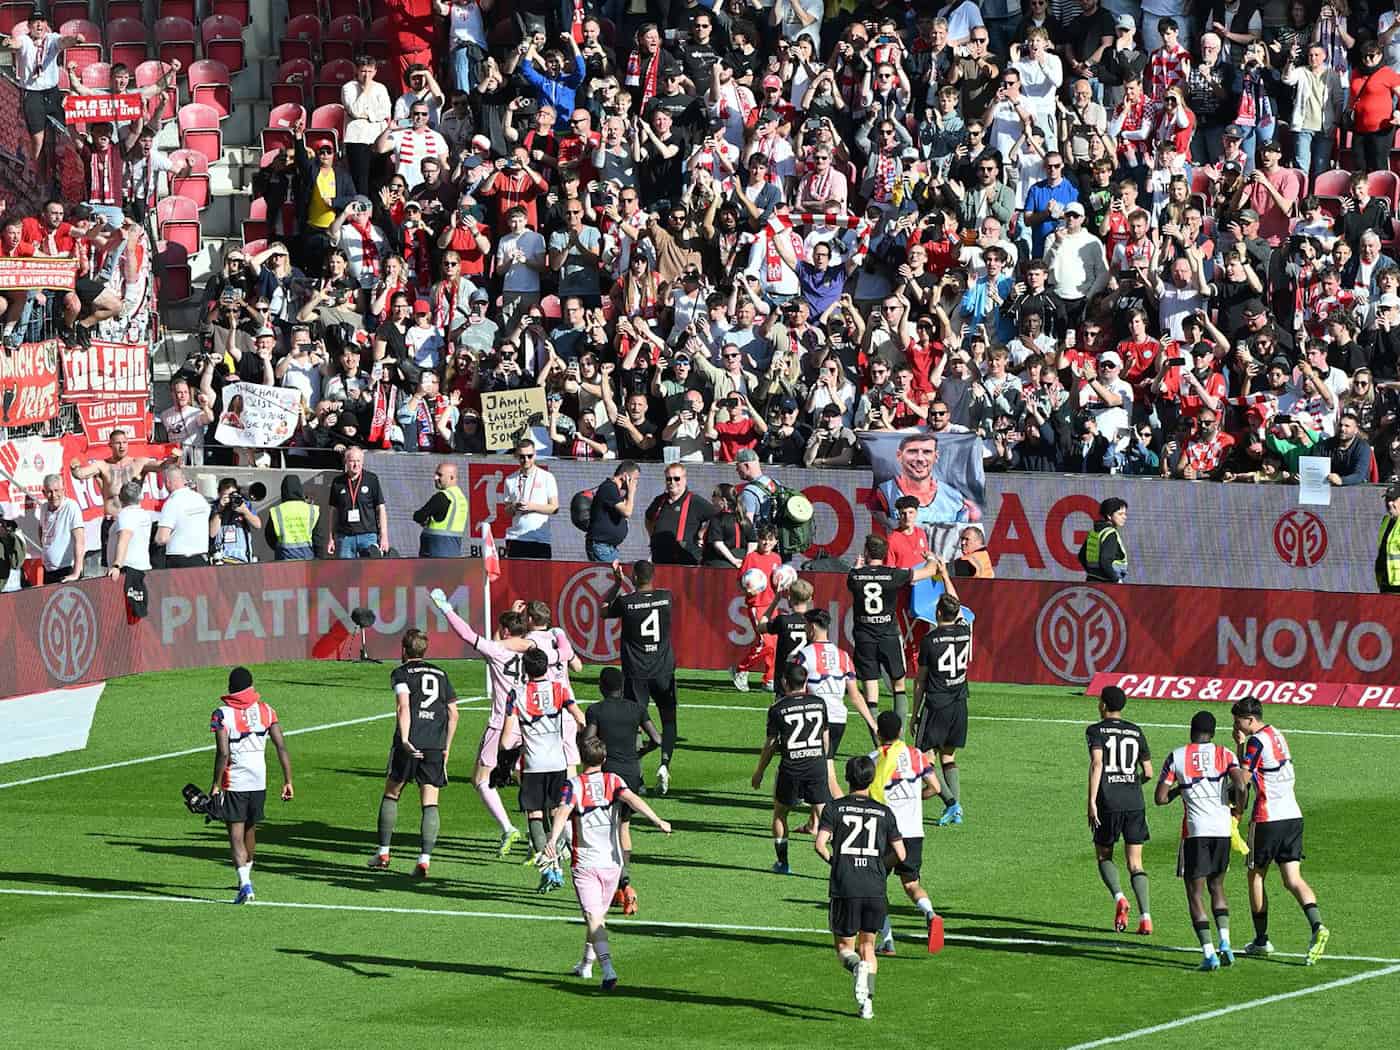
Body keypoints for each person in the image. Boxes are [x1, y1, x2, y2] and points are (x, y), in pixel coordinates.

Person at [543, 734, 672, 991]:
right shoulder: (613, 780)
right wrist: (657, 820)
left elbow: (563, 812)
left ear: (581, 758)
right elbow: (633, 800)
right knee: (596, 917)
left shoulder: (574, 785)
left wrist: (553, 840)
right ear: (604, 759)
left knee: (594, 919)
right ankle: (586, 964)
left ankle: (608, 968)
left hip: (586, 863)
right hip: (613, 863)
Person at [430, 592, 532, 855]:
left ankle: (509, 829)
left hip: (501, 724)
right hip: (529, 724)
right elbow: (500, 645)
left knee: (480, 780)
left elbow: (468, 635)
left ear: (505, 631)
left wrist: (446, 609)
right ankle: (546, 837)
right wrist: (512, 616)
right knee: (530, 778)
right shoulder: (532, 649)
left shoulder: (497, 651)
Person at [1230, 696, 1330, 964]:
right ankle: (1317, 926)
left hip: (1267, 818)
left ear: (1250, 719)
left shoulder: (1254, 742)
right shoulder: (1277, 734)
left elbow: (1244, 780)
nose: (1235, 724)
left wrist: (1237, 753)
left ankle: (1261, 940)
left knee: (1255, 877)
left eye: (1237, 719)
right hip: (1293, 817)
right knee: (1292, 879)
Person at [1155, 710, 1249, 971]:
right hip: (1221, 830)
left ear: (1191, 730)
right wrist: (1237, 810)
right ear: (1213, 732)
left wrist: (1178, 791)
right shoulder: (1225, 753)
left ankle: (1208, 953)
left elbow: (1160, 798)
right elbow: (1241, 785)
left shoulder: (1177, 756)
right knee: (1217, 888)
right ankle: (1226, 943)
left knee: (1194, 893)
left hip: (1195, 832)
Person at [815, 755, 905, 1021]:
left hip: (846, 886)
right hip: (875, 887)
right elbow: (900, 852)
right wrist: (878, 864)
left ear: (847, 777)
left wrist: (836, 862)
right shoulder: (884, 812)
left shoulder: (834, 809)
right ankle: (866, 1005)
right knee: (869, 946)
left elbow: (820, 845)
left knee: (845, 948)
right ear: (872, 778)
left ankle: (856, 969)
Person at [367, 629, 459, 878]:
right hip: (435, 745)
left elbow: (403, 706)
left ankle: (384, 852)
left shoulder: (401, 673)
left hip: (411, 742)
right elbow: (454, 713)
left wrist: (406, 739)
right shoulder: (441, 674)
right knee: (430, 801)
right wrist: (446, 747)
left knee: (392, 792)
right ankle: (424, 860)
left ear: (403, 650)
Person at [206, 666, 294, 904]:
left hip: (235, 780)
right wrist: (288, 781)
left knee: (235, 834)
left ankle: (245, 884)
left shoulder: (221, 714)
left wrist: (215, 784)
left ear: (230, 687)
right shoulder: (267, 710)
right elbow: (281, 747)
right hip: (259, 780)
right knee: (250, 830)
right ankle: (246, 876)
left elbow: (222, 753)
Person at [583, 666, 663, 917]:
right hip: (631, 773)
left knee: (608, 832)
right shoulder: (636, 708)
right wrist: (640, 753)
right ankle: (622, 886)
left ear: (601, 686)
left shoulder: (595, 710)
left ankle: (624, 885)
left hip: (607, 776)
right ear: (622, 686)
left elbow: (588, 741)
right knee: (624, 828)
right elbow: (658, 740)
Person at [504, 647, 584, 892]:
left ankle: (551, 868)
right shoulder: (560, 689)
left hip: (534, 765)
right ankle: (557, 860)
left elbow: (507, 740)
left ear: (525, 669)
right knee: (556, 815)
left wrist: (508, 754)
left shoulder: (516, 694)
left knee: (535, 816)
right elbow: (580, 718)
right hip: (558, 762)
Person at [846, 534, 943, 729]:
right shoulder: (893, 574)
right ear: (884, 554)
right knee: (899, 687)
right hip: (889, 637)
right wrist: (931, 558)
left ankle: (878, 742)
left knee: (871, 695)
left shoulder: (854, 576)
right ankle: (897, 739)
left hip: (865, 638)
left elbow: (854, 576)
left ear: (866, 553)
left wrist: (857, 566)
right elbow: (930, 570)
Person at [869, 711, 942, 956]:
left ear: (878, 734)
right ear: (900, 732)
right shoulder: (916, 756)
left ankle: (887, 940)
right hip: (913, 831)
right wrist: (917, 799)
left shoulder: (874, 760)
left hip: (885, 833)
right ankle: (930, 913)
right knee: (911, 883)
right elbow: (936, 787)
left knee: (874, 885)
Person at [603, 559, 677, 795]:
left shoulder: (626, 602)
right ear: (653, 576)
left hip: (636, 672)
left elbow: (604, 609)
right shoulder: (667, 597)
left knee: (633, 725)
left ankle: (638, 779)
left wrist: (617, 583)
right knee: (669, 720)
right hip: (663, 669)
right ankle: (665, 764)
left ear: (634, 577)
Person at [751, 662, 831, 876]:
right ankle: (839, 859)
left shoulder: (777, 708)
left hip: (792, 767)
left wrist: (759, 771)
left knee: (780, 813)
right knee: (825, 814)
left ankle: (783, 863)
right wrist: (822, 759)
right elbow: (825, 736)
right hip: (816, 764)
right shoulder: (819, 703)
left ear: (785, 681)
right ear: (805, 682)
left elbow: (770, 744)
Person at [1086, 685, 1155, 936]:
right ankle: (1146, 918)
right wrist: (1132, 783)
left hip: (1109, 802)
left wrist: (1092, 800)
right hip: (1135, 801)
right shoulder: (1136, 731)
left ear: (1103, 704)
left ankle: (1119, 898)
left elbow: (1097, 763)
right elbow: (1148, 771)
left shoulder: (1095, 730)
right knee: (1136, 863)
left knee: (1104, 856)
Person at [911, 585, 973, 827]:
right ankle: (955, 810)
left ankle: (951, 802)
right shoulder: (964, 631)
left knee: (922, 759)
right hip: (959, 703)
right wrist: (946, 577)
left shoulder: (930, 640)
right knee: (948, 756)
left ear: (937, 613)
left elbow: (921, 681)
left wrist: (915, 714)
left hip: (936, 703)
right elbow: (956, 606)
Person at [644, 462, 714, 565]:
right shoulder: (659, 500)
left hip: (685, 562)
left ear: (684, 479)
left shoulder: (695, 501)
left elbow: (716, 517)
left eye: (676, 478)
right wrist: (654, 537)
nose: (672, 482)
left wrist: (702, 533)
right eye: (668, 479)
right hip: (659, 559)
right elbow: (648, 518)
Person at [327, 447, 390, 559]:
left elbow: (380, 508)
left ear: (363, 461)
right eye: (352, 461)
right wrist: (331, 538)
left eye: (358, 461)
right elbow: (333, 511)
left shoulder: (371, 479)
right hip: (345, 537)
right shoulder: (338, 482)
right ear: (346, 462)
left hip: (368, 535)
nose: (356, 465)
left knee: (371, 572)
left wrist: (384, 536)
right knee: (346, 573)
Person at [503, 438, 559, 559]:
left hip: (540, 539)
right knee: (516, 577)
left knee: (540, 577)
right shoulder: (510, 479)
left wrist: (532, 506)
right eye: (522, 456)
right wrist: (514, 506)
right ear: (516, 456)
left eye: (530, 456)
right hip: (516, 537)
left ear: (535, 455)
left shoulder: (547, 477)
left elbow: (554, 508)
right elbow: (507, 512)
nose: (526, 460)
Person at [155, 467, 211, 568]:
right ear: (183, 479)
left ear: (168, 482)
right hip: (202, 558)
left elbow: (162, 538)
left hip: (178, 559)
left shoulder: (172, 502)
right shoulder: (200, 498)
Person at [585, 460, 639, 563]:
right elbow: (627, 512)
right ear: (625, 476)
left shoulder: (614, 490)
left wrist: (628, 492)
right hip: (600, 546)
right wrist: (631, 492)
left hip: (608, 547)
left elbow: (624, 510)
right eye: (635, 479)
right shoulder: (609, 488)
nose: (635, 483)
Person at [412, 461, 467, 557]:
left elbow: (419, 516)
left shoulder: (442, 497)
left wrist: (424, 521)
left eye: (439, 475)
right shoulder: (462, 499)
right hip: (454, 551)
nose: (435, 478)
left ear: (451, 477)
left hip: (435, 551)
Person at [39, 473, 84, 584]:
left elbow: (80, 540)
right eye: (49, 491)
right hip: (49, 570)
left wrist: (76, 573)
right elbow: (41, 528)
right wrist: (45, 548)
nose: (54, 495)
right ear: (44, 493)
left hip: (67, 569)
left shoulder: (71, 506)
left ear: (63, 490)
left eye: (57, 490)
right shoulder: (44, 507)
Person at [264, 476, 322, 561]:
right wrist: (318, 559)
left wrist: (279, 549)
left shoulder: (277, 511)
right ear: (300, 489)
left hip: (283, 560)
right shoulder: (311, 510)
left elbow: (270, 536)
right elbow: (318, 538)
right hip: (307, 560)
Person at [209, 478, 261, 565]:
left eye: (233, 494)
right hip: (221, 559)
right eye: (227, 495)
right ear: (219, 494)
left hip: (242, 559)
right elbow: (212, 533)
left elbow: (258, 525)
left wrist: (245, 511)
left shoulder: (244, 505)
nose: (230, 498)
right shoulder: (215, 506)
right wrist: (219, 510)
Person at [1078, 496, 1128, 583]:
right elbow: (1105, 560)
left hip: (1091, 580)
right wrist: (1116, 580)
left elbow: (1081, 556)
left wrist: (1093, 573)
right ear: (1109, 516)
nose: (1124, 517)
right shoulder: (1110, 533)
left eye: (1125, 514)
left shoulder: (1093, 532)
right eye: (1120, 514)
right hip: (1108, 583)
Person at [1378, 484, 1400, 594]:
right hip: (1386, 583)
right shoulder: (1386, 521)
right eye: (1387, 499)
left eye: (1393, 499)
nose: (1389, 503)